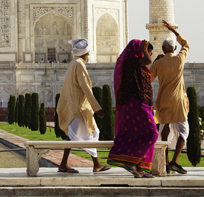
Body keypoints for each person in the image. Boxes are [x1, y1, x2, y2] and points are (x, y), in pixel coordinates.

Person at [55, 39, 109, 174]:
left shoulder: (74, 63)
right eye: (88, 51)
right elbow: (85, 87)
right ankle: (94, 164)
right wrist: (97, 108)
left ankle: (91, 164)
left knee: (79, 135)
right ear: (85, 53)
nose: (89, 53)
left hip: (74, 106)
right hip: (78, 108)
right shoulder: (79, 65)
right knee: (90, 134)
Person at [107, 40, 158, 178]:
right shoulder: (131, 61)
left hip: (142, 103)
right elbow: (147, 60)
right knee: (152, 133)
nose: (149, 55)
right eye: (148, 51)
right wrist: (145, 48)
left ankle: (140, 169)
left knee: (139, 135)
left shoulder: (136, 64)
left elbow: (147, 75)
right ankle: (130, 162)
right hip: (136, 103)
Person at [149, 21, 189, 174]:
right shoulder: (179, 59)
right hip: (178, 100)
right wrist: (174, 31)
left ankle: (165, 162)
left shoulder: (159, 63)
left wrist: (155, 62)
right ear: (174, 48)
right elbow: (186, 45)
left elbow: (148, 77)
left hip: (164, 100)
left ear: (162, 49)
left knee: (164, 130)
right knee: (184, 132)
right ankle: (174, 161)